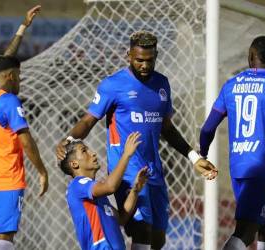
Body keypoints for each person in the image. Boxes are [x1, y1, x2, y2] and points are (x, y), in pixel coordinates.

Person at [56, 30, 217, 249]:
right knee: (142, 231)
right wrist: (69, 138)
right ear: (129, 55)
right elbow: (88, 121)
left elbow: (167, 128)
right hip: (127, 170)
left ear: (156, 56)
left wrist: (193, 157)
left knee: (158, 238)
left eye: (149, 60)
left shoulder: (162, 84)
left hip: (154, 170)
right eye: (139, 60)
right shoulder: (113, 85)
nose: (144, 65)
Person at [199, 36, 265, 250]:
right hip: (260, 168)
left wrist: (201, 154)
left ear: (250, 56)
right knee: (246, 231)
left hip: (238, 167)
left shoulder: (230, 86)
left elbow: (207, 128)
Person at [0, 55, 49, 250]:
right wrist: (42, 171)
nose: (20, 80)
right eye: (18, 75)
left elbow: (3, 59)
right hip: (6, 180)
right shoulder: (9, 101)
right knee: (3, 238)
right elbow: (25, 140)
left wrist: (21, 30)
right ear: (10, 76)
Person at [60, 132, 148, 250]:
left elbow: (121, 219)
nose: (93, 153)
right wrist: (126, 155)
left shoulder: (97, 195)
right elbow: (110, 187)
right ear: (74, 164)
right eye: (84, 151)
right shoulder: (77, 185)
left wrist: (135, 191)